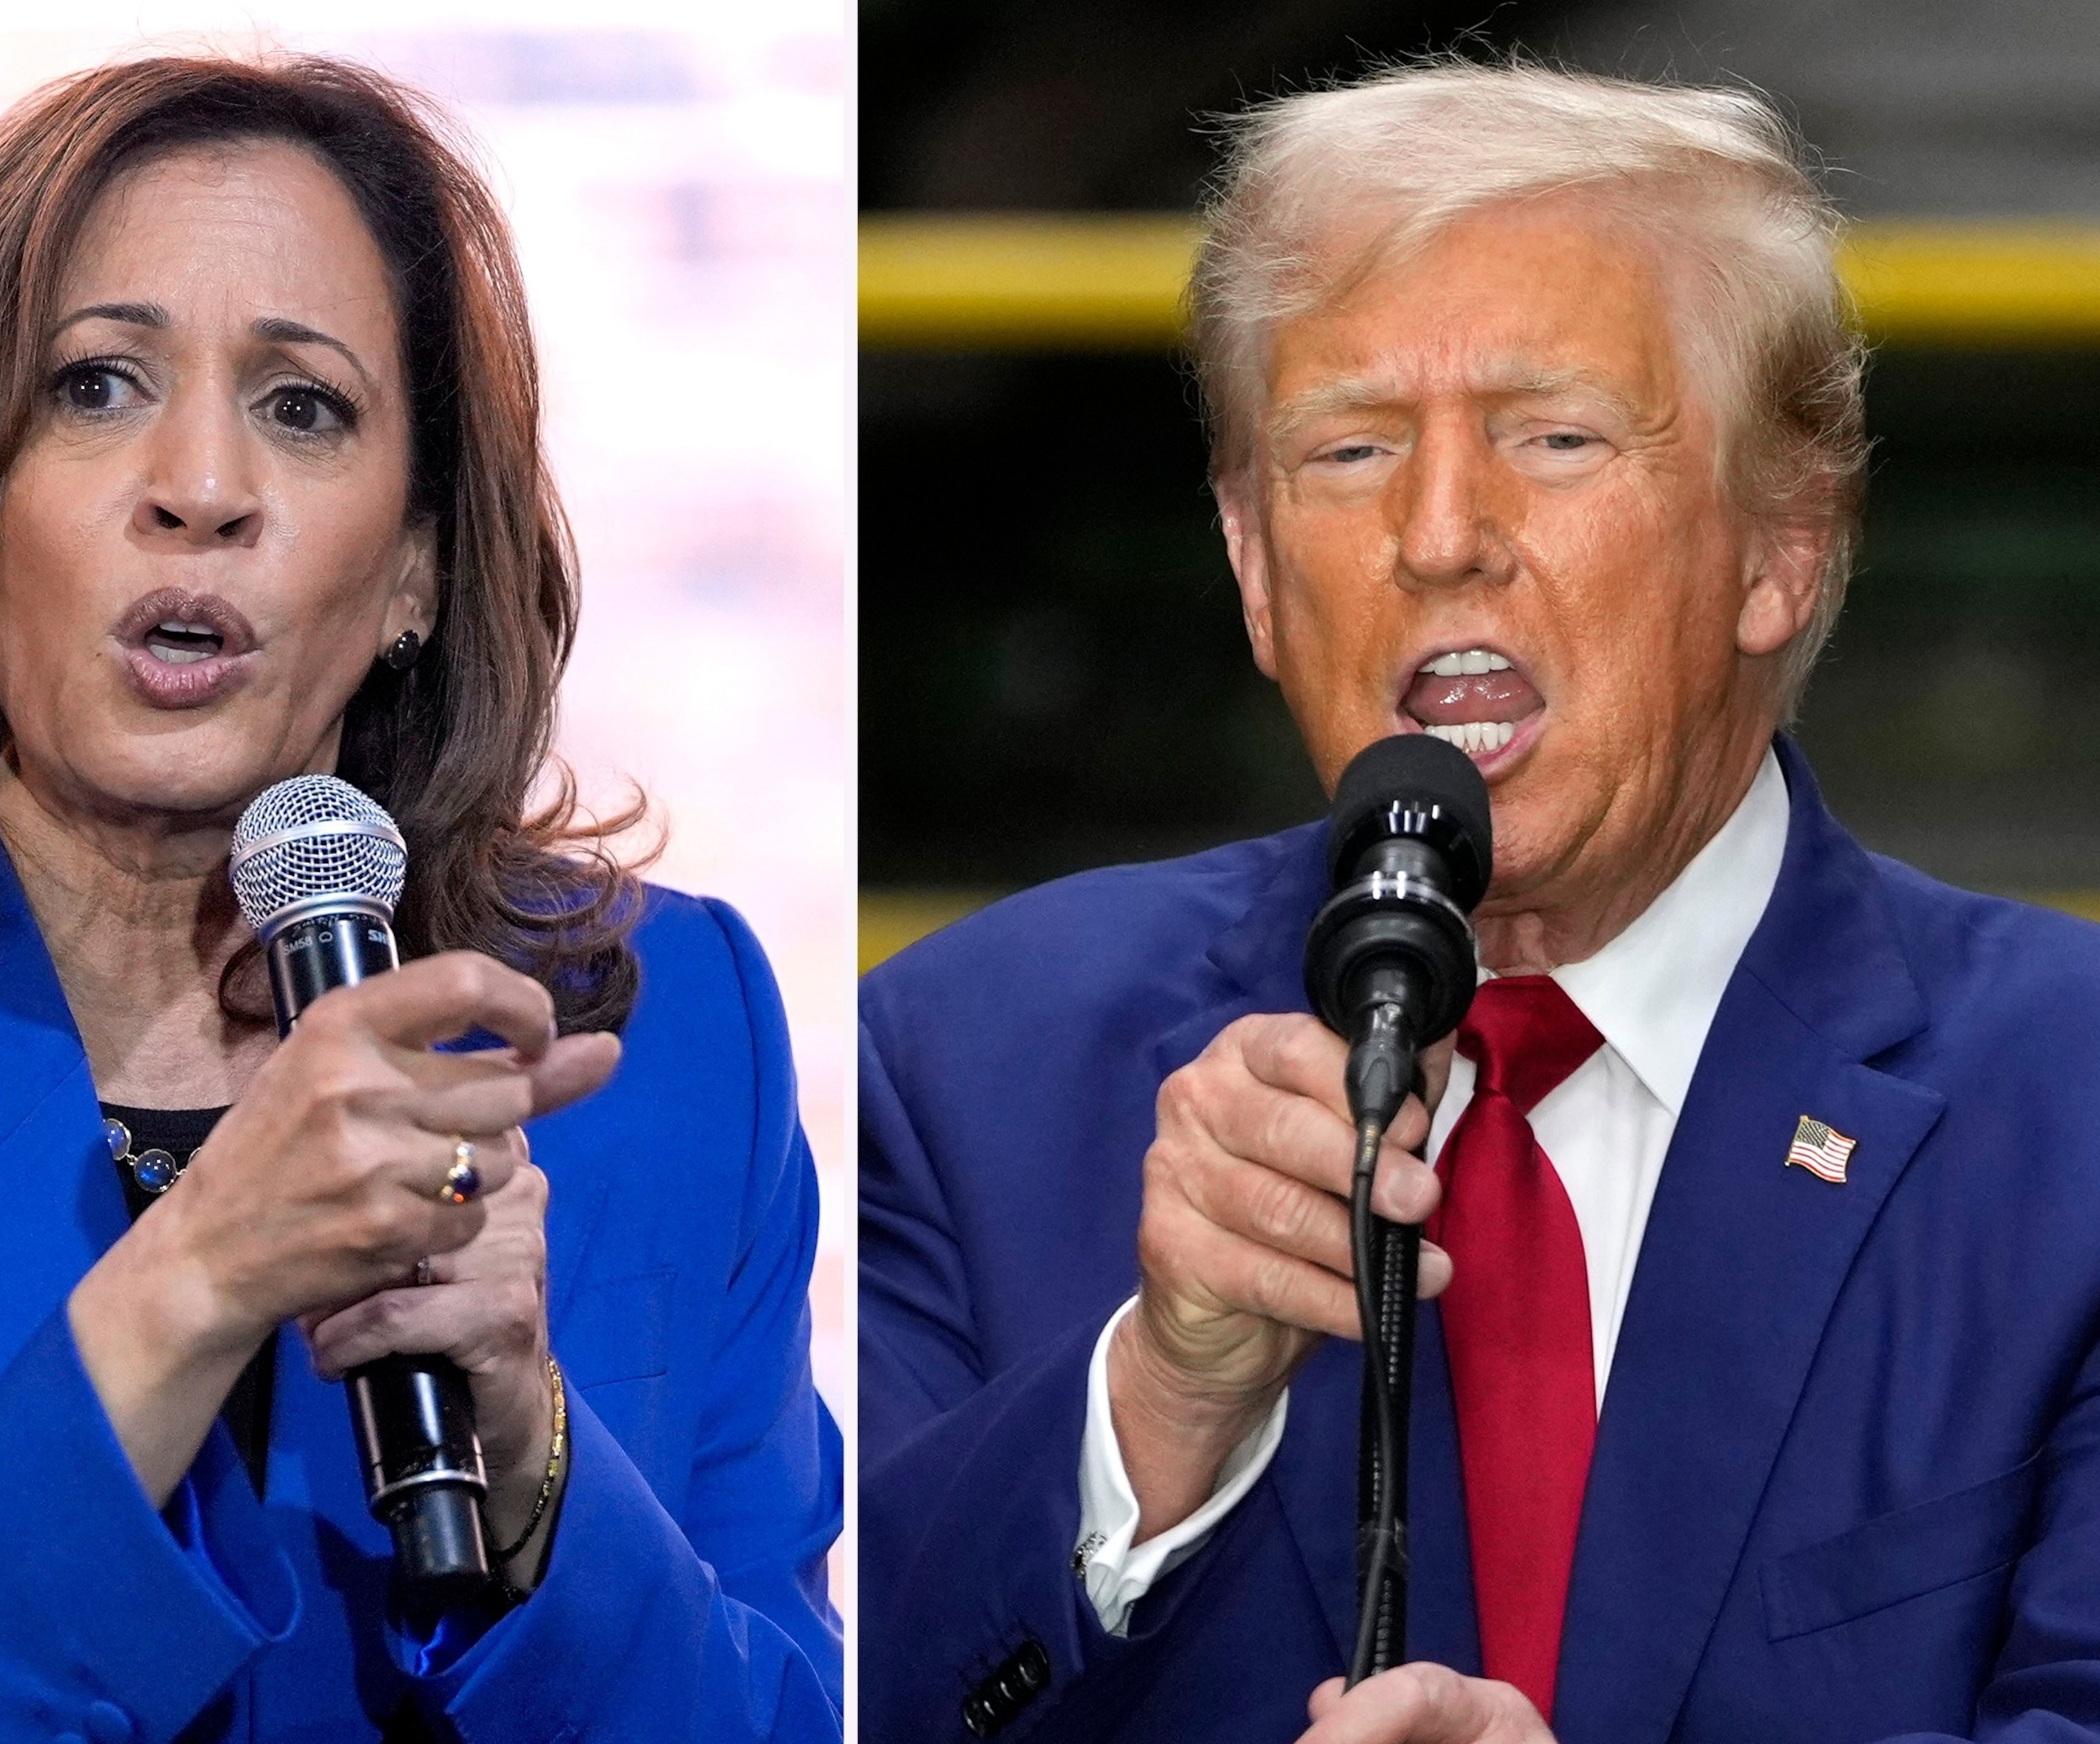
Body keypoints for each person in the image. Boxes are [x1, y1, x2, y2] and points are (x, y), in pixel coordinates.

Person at [0, 54, 839, 1744]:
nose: (200, 485)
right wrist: (190, 1286)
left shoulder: (675, 1029)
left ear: (413, 570)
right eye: (97, 386)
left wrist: (537, 1464)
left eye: (304, 406)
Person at [861, 61, 2100, 1744]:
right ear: (1248, 565)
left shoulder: (2069, 1105)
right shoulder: (957, 1061)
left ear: (1784, 544)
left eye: (1557, 437)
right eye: (1351, 447)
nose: (1440, 534)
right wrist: (1159, 1400)